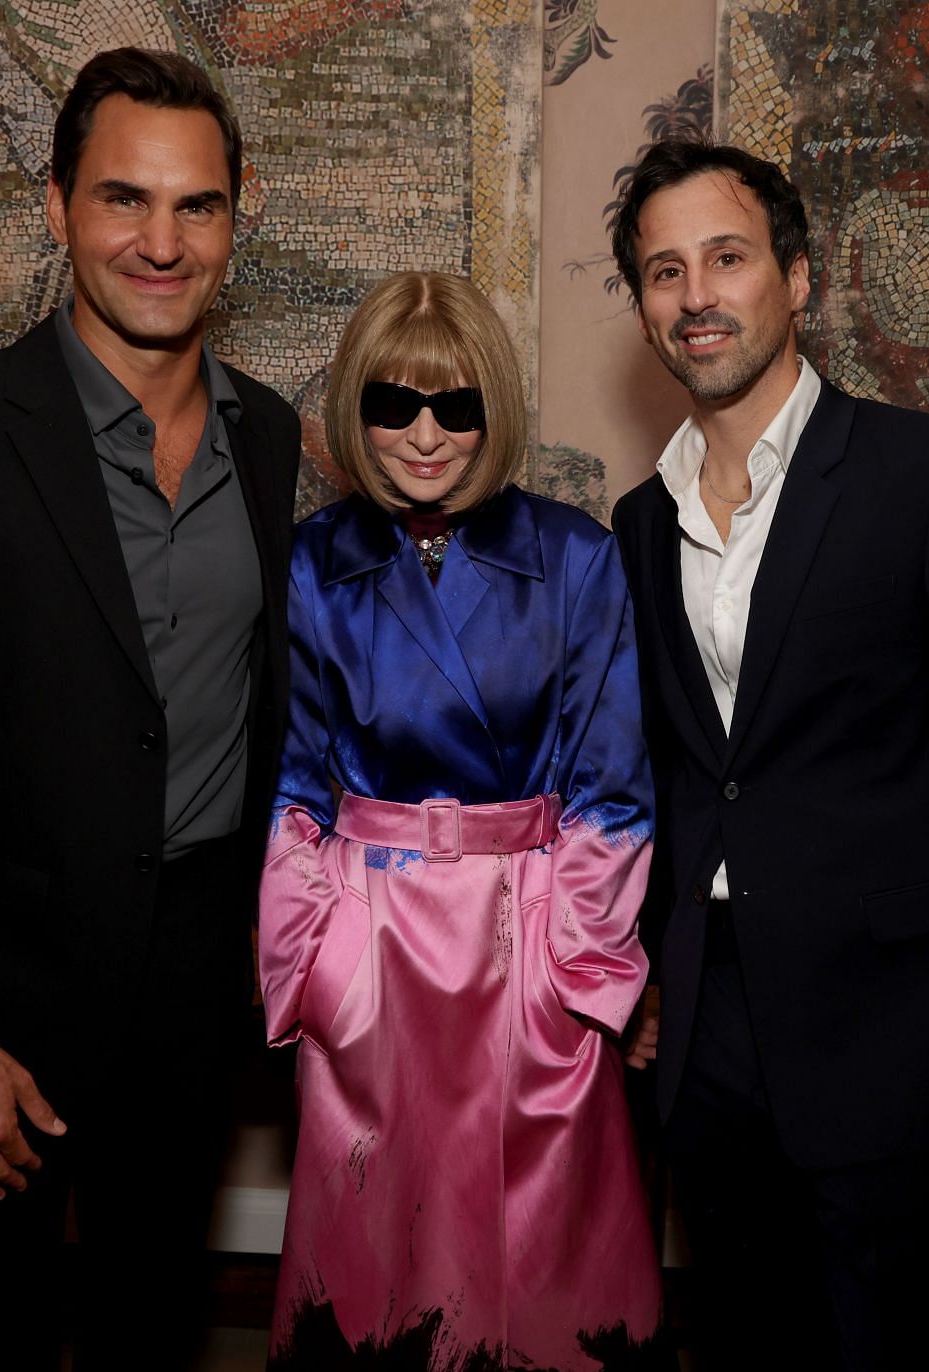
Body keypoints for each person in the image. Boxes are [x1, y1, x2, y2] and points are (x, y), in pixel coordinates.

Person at [0, 47, 301, 1370]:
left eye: (196, 205)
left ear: (235, 218)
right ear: (56, 207)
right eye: (122, 199)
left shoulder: (268, 435)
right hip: (2, 1008)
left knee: (156, 1325)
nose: (161, 240)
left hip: (197, 991)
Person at [608, 140, 929, 1369]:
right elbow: (682, 771)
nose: (697, 295)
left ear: (799, 277)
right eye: (664, 272)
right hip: (708, 1034)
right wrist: (641, 965)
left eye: (726, 258)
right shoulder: (637, 521)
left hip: (899, 1035)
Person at [258, 271, 663, 1370]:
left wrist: (580, 976)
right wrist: (309, 962)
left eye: (456, 405)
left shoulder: (575, 556)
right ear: (355, 408)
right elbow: (294, 785)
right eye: (393, 405)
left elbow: (611, 785)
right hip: (373, 950)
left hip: (530, 943)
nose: (425, 435)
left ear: (495, 411)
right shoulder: (311, 564)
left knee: (543, 1257)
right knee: (375, 1251)